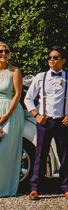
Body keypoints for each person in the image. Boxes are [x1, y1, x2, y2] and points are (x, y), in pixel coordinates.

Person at [24, 46, 68, 201]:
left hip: (62, 122)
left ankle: (67, 188)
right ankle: (35, 188)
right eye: (50, 57)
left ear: (63, 60)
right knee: (40, 155)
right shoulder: (40, 77)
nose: (52, 60)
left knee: (64, 155)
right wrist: (36, 114)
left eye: (55, 57)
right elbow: (28, 98)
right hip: (44, 121)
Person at [0, 41, 24, 197]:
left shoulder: (14, 71)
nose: (3, 54)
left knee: (5, 151)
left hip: (11, 112)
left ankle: (4, 188)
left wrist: (5, 116)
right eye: (0, 51)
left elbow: (17, 95)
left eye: (6, 51)